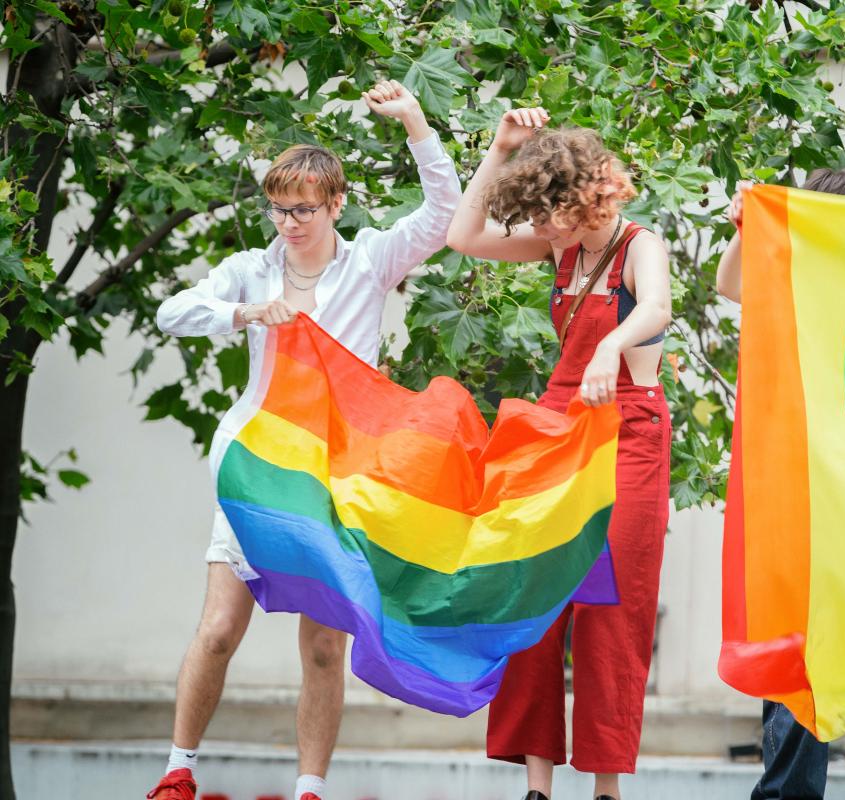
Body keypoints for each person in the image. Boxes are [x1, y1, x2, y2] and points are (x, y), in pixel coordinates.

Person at [145, 80, 461, 800]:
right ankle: (177, 770)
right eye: (279, 209)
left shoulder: (373, 260)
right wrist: (245, 312)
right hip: (260, 468)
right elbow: (172, 312)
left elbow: (443, 213)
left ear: (336, 205)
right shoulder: (254, 269)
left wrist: (415, 121)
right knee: (221, 626)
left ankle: (309, 788)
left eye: (304, 210)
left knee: (324, 646)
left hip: (337, 478)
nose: (290, 223)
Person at [445, 106, 672, 800]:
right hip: (554, 431)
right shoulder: (557, 247)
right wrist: (501, 147)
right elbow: (465, 236)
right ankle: (537, 784)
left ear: (583, 201)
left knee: (614, 608)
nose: (541, 230)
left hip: (628, 429)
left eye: (550, 215)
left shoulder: (639, 244)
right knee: (534, 597)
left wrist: (610, 345)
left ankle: (606, 789)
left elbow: (656, 308)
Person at [716, 168, 845, 800]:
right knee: (802, 657)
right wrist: (746, 223)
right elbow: (729, 284)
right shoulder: (797, 281)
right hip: (807, 504)